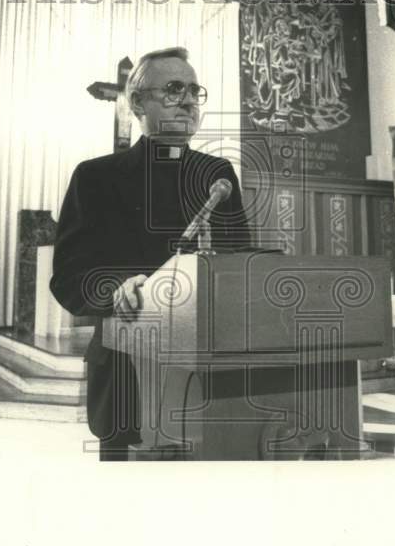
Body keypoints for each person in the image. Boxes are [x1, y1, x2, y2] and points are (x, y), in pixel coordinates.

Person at [50, 47, 252, 460]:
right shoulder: (96, 177)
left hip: (210, 370)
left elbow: (241, 262)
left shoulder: (218, 175)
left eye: (195, 90)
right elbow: (69, 276)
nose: (189, 100)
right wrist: (115, 289)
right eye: (174, 89)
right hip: (128, 370)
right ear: (137, 101)